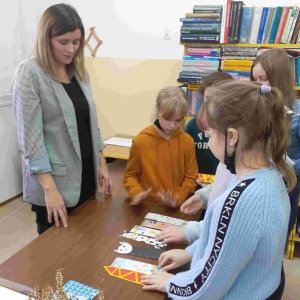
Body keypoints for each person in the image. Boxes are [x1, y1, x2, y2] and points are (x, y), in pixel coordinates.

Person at [141, 81, 296, 299]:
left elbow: (204, 289)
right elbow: (226, 245)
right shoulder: (270, 173)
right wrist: (190, 253)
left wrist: (171, 284)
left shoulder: (241, 200)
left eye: (211, 132)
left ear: (232, 137)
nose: (207, 138)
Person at [11, 4, 112, 235]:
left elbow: (91, 122)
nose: (71, 49)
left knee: (85, 247)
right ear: (46, 39)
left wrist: (102, 162)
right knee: (57, 261)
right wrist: (50, 190)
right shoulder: (30, 73)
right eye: (63, 42)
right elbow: (31, 140)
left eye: (76, 42)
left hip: (84, 177)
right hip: (55, 185)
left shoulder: (78, 72)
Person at [123, 86, 198, 207]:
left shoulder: (187, 141)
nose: (173, 125)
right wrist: (136, 192)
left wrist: (177, 198)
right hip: (147, 207)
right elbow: (130, 175)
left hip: (178, 209)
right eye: (168, 119)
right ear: (157, 111)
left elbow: (191, 178)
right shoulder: (141, 141)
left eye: (178, 120)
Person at [184, 72, 233, 191]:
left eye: (218, 98)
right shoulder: (192, 126)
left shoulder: (234, 129)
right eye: (208, 98)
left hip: (224, 189)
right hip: (195, 189)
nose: (213, 103)